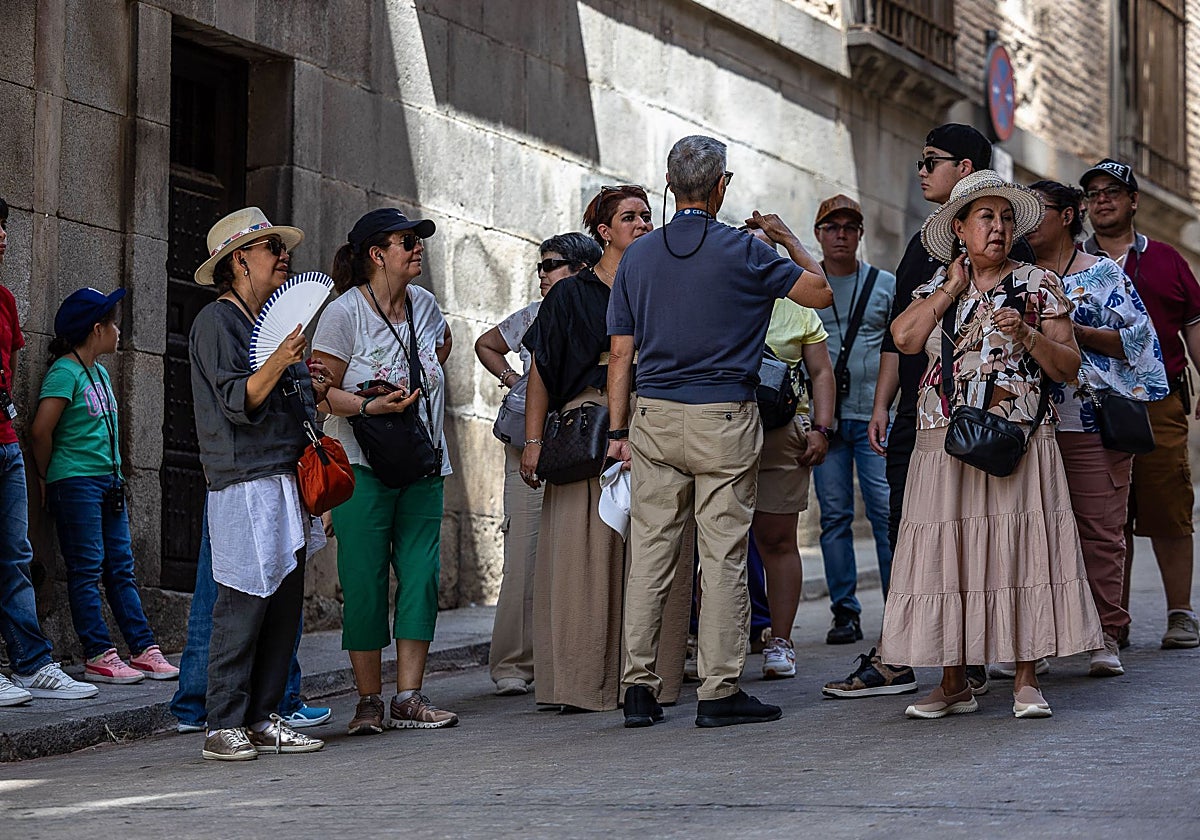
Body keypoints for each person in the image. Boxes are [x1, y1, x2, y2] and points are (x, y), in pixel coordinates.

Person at [607, 135, 832, 729]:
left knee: (651, 553)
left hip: (654, 414)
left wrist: (616, 427)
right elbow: (821, 292)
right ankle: (719, 688)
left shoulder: (638, 257)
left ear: (669, 183)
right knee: (724, 553)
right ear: (721, 187)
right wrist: (786, 238)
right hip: (724, 416)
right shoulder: (742, 250)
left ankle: (636, 687)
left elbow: (620, 354)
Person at [880, 170, 1102, 720]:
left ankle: (1025, 677)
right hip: (943, 436)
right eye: (985, 217)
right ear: (959, 229)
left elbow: (1070, 367)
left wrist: (1026, 334)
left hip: (1018, 436)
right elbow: (904, 339)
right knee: (947, 554)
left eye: (1005, 217)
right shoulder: (936, 286)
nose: (998, 227)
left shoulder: (1037, 283)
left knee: (1019, 548)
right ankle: (953, 683)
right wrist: (954, 287)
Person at [825, 124, 1007, 699]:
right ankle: (901, 654)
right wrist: (883, 404)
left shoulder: (1002, 245)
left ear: (968, 166)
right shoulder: (925, 240)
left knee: (969, 532)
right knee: (907, 527)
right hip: (917, 413)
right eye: (920, 160)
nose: (921, 170)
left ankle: (963, 657)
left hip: (972, 414)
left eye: (932, 161)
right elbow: (895, 331)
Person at [521, 186, 692, 713]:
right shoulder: (572, 294)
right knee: (584, 554)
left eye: (646, 216)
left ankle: (647, 681)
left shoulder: (666, 287)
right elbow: (541, 372)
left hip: (658, 420)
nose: (642, 223)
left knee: (658, 549)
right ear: (604, 231)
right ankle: (581, 680)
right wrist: (532, 443)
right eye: (629, 217)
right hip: (590, 427)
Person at [312, 208, 457, 735]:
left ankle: (410, 696)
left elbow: (441, 355)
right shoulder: (343, 313)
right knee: (364, 580)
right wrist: (371, 407)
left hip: (423, 462)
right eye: (406, 241)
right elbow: (320, 390)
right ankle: (369, 701)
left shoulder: (426, 307)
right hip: (359, 465)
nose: (417, 247)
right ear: (377, 254)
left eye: (418, 240)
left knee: (420, 577)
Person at [189, 206, 323, 760]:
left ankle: (264, 716)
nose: (283, 255)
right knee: (243, 602)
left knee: (283, 606)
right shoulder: (215, 322)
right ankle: (222, 722)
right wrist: (278, 361)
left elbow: (288, 400)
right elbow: (238, 400)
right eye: (271, 248)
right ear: (240, 260)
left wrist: (304, 374)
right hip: (242, 478)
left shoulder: (265, 321)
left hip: (284, 476)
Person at [1028, 178, 1168, 677]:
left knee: (1101, 531)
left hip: (1092, 423)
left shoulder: (1105, 273)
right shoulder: (1016, 273)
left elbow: (1139, 344)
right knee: (1034, 532)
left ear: (1066, 215)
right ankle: (1036, 642)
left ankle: (1106, 632)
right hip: (1029, 426)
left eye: (1034, 209)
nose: (1022, 219)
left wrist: (1070, 332)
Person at [29, 288, 179, 685]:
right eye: (112, 323)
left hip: (108, 482)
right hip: (75, 482)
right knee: (86, 568)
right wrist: (46, 476)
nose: (118, 329)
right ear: (96, 329)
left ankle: (143, 647)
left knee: (121, 568)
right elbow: (41, 430)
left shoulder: (97, 371)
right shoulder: (65, 371)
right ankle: (97, 652)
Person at [1080, 159, 1200, 650]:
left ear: (1133, 201)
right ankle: (1114, 622)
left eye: (1113, 191)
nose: (1102, 200)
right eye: (1093, 194)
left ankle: (1181, 613)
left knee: (1170, 507)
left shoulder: (1167, 259)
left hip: (1158, 403)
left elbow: (1193, 325)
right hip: (1091, 404)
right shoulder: (1068, 261)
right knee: (1108, 517)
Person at [474, 232, 601, 696]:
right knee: (523, 555)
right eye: (541, 266)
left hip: (582, 442)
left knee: (579, 553)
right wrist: (514, 381)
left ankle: (564, 657)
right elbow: (485, 343)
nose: (543, 274)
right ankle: (512, 662)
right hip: (531, 441)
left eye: (553, 265)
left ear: (583, 269)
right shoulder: (532, 314)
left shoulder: (599, 307)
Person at [0, 197, 98, 706]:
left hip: (5, 443)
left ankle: (33, 664)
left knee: (17, 554)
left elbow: (10, 370)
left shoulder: (7, 300)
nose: (0, 236)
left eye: (3, 227)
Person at [748, 228, 835, 679]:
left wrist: (821, 428)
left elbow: (821, 372)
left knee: (778, 540)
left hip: (782, 431)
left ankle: (779, 640)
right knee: (712, 542)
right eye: (751, 244)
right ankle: (707, 637)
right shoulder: (723, 294)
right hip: (724, 427)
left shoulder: (798, 303)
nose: (759, 253)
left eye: (769, 246)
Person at [809, 195, 896, 645]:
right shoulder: (806, 284)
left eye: (849, 227)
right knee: (835, 516)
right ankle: (845, 611)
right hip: (823, 421)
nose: (841, 234)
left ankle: (898, 609)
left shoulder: (885, 284)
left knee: (885, 514)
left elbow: (897, 349)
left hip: (874, 417)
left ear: (860, 235)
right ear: (818, 234)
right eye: (832, 227)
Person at [170, 505, 332, 733]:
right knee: (273, 588)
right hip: (261, 481)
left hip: (229, 483)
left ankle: (195, 706)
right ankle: (276, 703)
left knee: (215, 591)